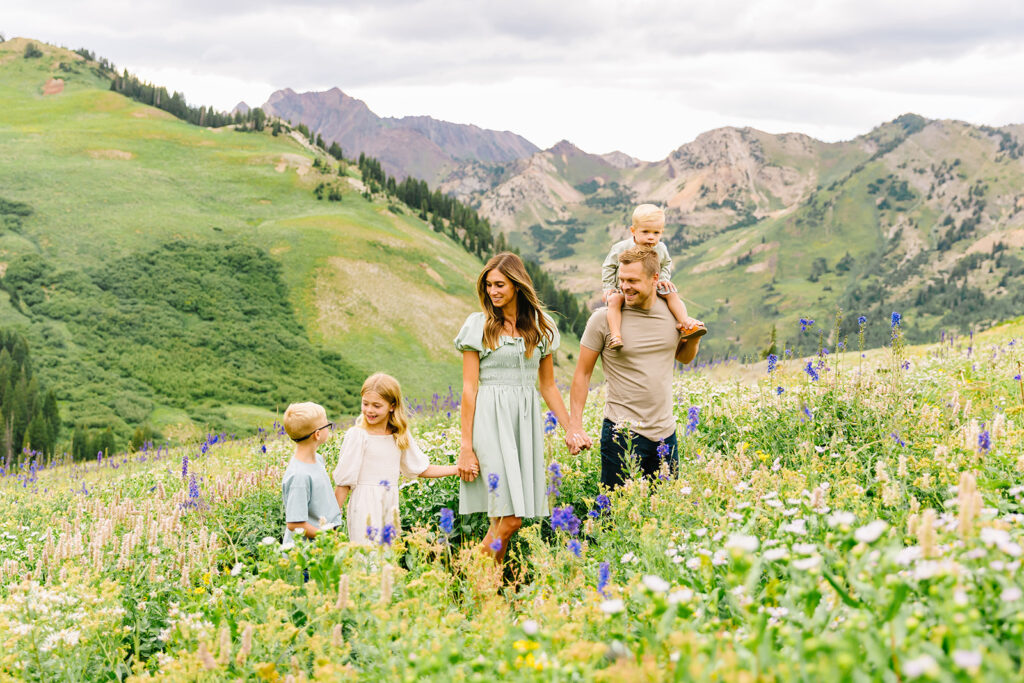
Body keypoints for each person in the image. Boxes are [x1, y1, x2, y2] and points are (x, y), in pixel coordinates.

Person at [455, 252, 572, 563]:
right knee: (511, 519)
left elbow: (547, 386)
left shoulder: (541, 327)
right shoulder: (478, 325)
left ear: (517, 286)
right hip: (489, 422)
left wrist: (572, 428)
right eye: (489, 285)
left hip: (524, 423)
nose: (493, 292)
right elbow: (469, 388)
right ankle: (466, 576)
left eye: (500, 285)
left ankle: (487, 594)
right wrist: (466, 447)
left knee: (502, 520)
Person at [566, 245, 702, 487]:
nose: (625, 287)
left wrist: (694, 338)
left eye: (632, 280)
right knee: (614, 511)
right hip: (621, 433)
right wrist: (574, 426)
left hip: (665, 433)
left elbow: (683, 357)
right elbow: (582, 374)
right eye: (622, 280)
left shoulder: (673, 314)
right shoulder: (603, 319)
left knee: (666, 511)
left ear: (655, 279)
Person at [333, 373, 460, 546]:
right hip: (364, 507)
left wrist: (457, 469)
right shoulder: (357, 435)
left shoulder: (399, 435)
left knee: (386, 561)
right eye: (365, 403)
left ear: (392, 406)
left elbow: (421, 468)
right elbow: (344, 482)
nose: (369, 410)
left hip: (389, 506)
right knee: (366, 561)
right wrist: (332, 520)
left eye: (376, 406)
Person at [602, 204, 705, 349]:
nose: (651, 237)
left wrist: (663, 279)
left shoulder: (660, 248)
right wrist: (609, 287)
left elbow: (666, 263)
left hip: (652, 286)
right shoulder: (621, 248)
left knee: (672, 294)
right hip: (626, 289)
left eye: (656, 233)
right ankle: (615, 336)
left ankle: (685, 323)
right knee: (614, 301)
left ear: (662, 232)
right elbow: (609, 266)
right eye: (645, 232)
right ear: (633, 231)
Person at [281, 401, 344, 547]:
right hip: (305, 556)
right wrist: (326, 535)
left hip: (321, 547)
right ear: (317, 434)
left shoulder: (318, 460)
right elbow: (294, 524)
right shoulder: (299, 476)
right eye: (327, 425)